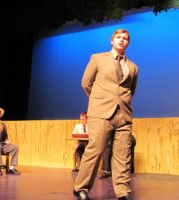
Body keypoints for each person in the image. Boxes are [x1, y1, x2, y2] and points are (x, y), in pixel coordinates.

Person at [73, 29, 138, 200]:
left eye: (125, 39)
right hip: (101, 113)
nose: (121, 40)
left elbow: (131, 91)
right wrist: (98, 101)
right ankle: (81, 188)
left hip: (123, 115)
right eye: (118, 37)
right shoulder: (98, 58)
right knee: (95, 150)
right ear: (112, 41)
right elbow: (86, 83)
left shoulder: (133, 67)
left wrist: (121, 104)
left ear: (128, 43)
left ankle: (123, 192)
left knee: (123, 155)